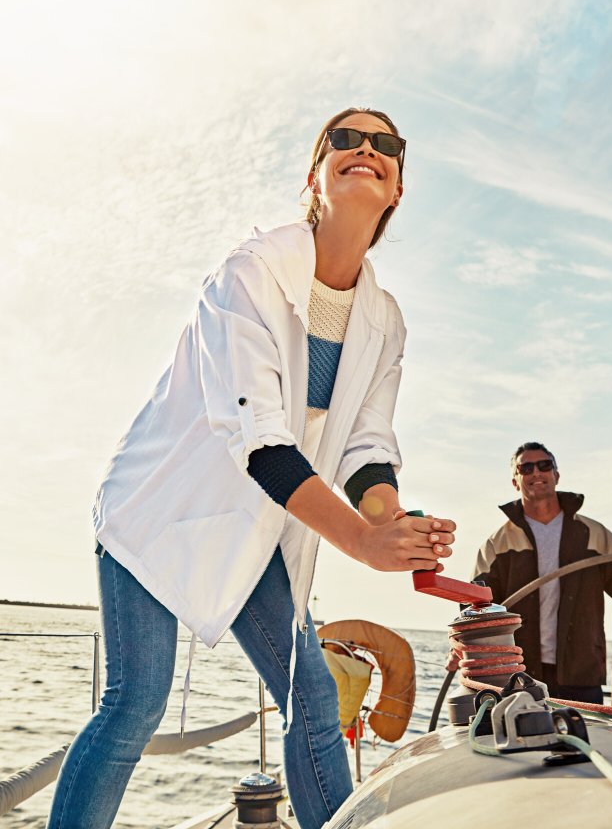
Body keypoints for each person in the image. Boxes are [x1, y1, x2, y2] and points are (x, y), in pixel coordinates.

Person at [48, 107, 456, 829]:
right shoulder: (252, 271)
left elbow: (367, 446)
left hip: (263, 522)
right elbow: (260, 439)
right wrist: (362, 544)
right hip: (160, 511)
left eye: (385, 145)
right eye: (345, 139)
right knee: (136, 701)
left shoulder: (385, 319)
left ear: (396, 188)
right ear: (314, 176)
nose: (366, 149)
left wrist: (391, 519)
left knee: (311, 696)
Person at [472, 441, 612, 704]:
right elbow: (476, 607)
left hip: (581, 676)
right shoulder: (497, 544)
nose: (536, 473)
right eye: (526, 468)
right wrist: (464, 648)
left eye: (545, 465)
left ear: (556, 475)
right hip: (519, 676)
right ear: (515, 481)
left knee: (581, 744)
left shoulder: (593, 534)